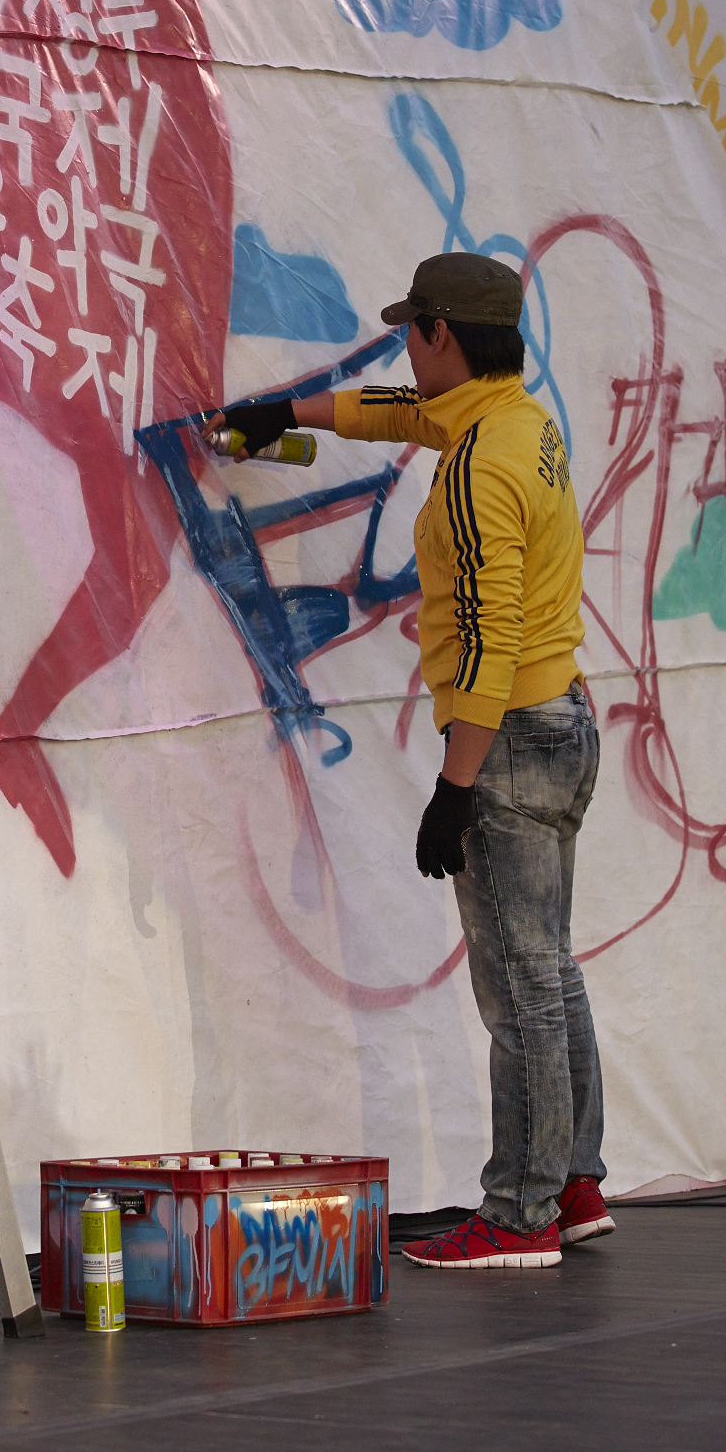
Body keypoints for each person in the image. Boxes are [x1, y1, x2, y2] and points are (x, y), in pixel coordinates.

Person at [214, 252, 613, 1269]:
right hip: (559, 718)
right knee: (548, 967)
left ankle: (519, 1214)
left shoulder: (480, 466)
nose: (402, 346)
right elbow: (401, 412)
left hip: (506, 734)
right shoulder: (512, 419)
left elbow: (486, 637)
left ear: (440, 332)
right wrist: (286, 413)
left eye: (410, 329)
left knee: (520, 985)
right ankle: (571, 1182)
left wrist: (454, 786)